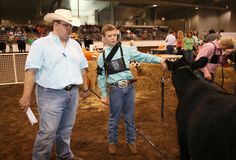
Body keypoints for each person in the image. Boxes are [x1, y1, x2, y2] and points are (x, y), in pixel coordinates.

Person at [19, 9, 89, 160]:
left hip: (73, 93)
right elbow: (30, 71)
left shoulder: (75, 45)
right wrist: (26, 96)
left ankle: (64, 156)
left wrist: (85, 87)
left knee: (66, 129)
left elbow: (83, 67)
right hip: (50, 94)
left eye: (71, 26)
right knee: (48, 132)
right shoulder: (40, 44)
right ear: (55, 24)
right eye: (66, 25)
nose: (70, 29)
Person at [96, 24, 167, 155]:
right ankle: (112, 142)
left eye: (114, 35)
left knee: (130, 117)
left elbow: (142, 56)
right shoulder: (101, 57)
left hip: (129, 88)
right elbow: (100, 77)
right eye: (109, 36)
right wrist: (104, 94)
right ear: (104, 38)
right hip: (115, 90)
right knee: (114, 118)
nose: (113, 38)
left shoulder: (126, 49)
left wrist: (158, 60)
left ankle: (131, 141)